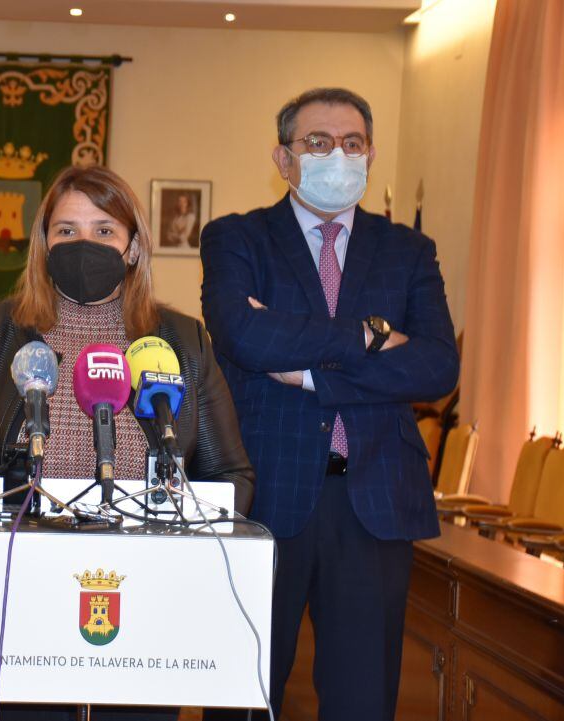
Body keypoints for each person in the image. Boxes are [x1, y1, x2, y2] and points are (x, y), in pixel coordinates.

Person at [0, 164, 255, 721]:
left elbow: (231, 473)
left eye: (104, 230)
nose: (84, 244)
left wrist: (189, 565)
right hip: (13, 604)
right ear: (42, 244)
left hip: (147, 611)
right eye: (67, 231)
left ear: (133, 247)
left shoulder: (183, 342)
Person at [199, 88, 459, 721]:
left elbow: (437, 366)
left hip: (374, 498)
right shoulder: (236, 239)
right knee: (244, 692)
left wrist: (314, 375)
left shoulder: (408, 251)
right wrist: (369, 339)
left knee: (362, 699)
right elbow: (242, 335)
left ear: (370, 154)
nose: (336, 154)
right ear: (283, 159)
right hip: (263, 491)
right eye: (317, 142)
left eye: (352, 142)